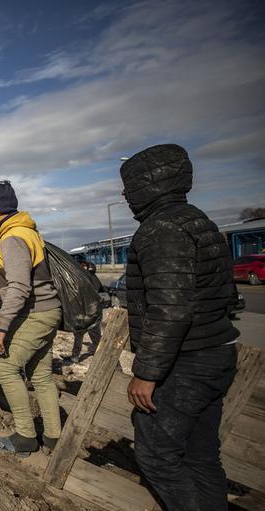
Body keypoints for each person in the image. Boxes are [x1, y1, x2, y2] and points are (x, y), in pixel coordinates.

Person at [121, 144, 239, 510]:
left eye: (129, 186)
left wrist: (147, 373)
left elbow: (171, 309)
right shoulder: (196, 219)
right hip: (214, 353)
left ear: (148, 185)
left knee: (157, 454)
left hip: (186, 363)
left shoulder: (161, 229)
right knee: (201, 456)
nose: (125, 195)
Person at [0, 181, 62, 457]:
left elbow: (19, 287)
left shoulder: (13, 237)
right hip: (48, 310)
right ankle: (53, 438)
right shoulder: (29, 232)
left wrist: (2, 327)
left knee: (4, 369)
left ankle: (26, 436)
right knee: (41, 376)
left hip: (36, 313)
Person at [70, 260, 104, 363]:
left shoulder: (89, 280)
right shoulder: (92, 280)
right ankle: (75, 356)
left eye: (84, 267)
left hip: (91, 314)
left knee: (95, 337)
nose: (82, 269)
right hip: (85, 313)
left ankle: (104, 358)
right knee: (79, 335)